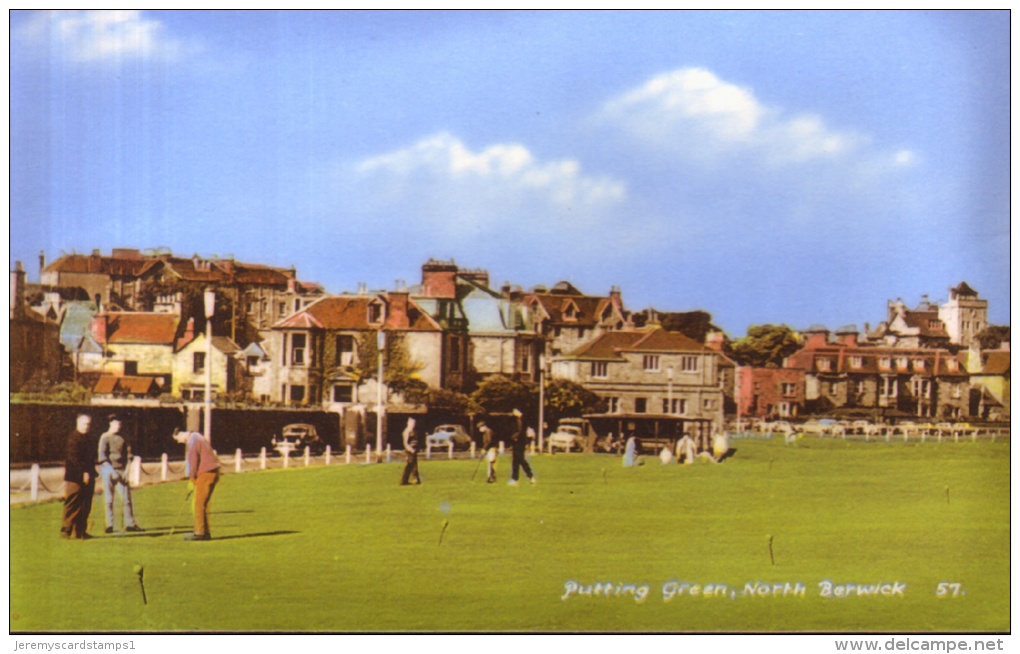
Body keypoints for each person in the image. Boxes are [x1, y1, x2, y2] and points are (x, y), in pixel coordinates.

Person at [98, 414, 144, 534]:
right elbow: (102, 458)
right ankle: (109, 525)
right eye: (116, 423)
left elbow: (130, 456)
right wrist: (112, 472)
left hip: (121, 471)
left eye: (120, 424)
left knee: (126, 499)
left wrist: (127, 472)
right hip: (108, 470)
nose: (119, 426)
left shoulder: (124, 437)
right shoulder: (105, 437)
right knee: (109, 499)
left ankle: (130, 524)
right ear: (111, 423)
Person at [173, 430, 220, 541]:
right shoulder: (198, 437)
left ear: (182, 434)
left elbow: (193, 462)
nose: (180, 442)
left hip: (206, 473)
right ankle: (204, 531)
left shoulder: (193, 441)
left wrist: (192, 479)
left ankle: (199, 533)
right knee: (202, 504)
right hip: (212, 473)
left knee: (198, 504)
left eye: (178, 439)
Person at [61, 413, 97, 540]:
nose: (87, 426)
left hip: (88, 475)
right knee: (73, 504)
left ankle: (80, 531)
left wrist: (90, 472)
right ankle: (66, 531)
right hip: (75, 477)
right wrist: (83, 473)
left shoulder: (89, 438)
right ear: (78, 423)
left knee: (86, 505)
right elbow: (73, 458)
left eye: (88, 424)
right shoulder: (73, 439)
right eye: (84, 423)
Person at [508, 409, 535, 486]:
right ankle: (515, 479)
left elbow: (522, 430)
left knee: (520, 460)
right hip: (516, 442)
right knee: (515, 461)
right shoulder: (516, 420)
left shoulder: (523, 419)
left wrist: (515, 437)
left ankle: (530, 476)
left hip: (520, 442)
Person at [400, 417, 421, 485]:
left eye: (414, 423)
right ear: (408, 423)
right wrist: (410, 449)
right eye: (412, 423)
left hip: (414, 450)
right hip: (410, 451)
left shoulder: (413, 431)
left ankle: (415, 479)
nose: (413, 424)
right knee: (410, 465)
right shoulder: (407, 431)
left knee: (413, 465)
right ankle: (404, 480)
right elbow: (405, 443)